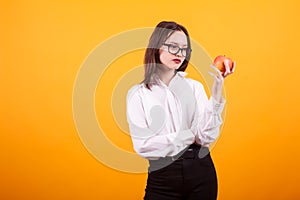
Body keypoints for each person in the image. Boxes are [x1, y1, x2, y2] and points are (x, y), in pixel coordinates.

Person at [126, 21, 235, 200]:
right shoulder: (138, 94)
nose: (180, 53)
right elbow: (143, 146)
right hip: (162, 177)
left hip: (201, 172)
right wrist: (187, 136)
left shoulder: (195, 88)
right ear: (156, 47)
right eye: (173, 47)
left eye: (184, 49)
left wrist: (217, 90)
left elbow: (205, 137)